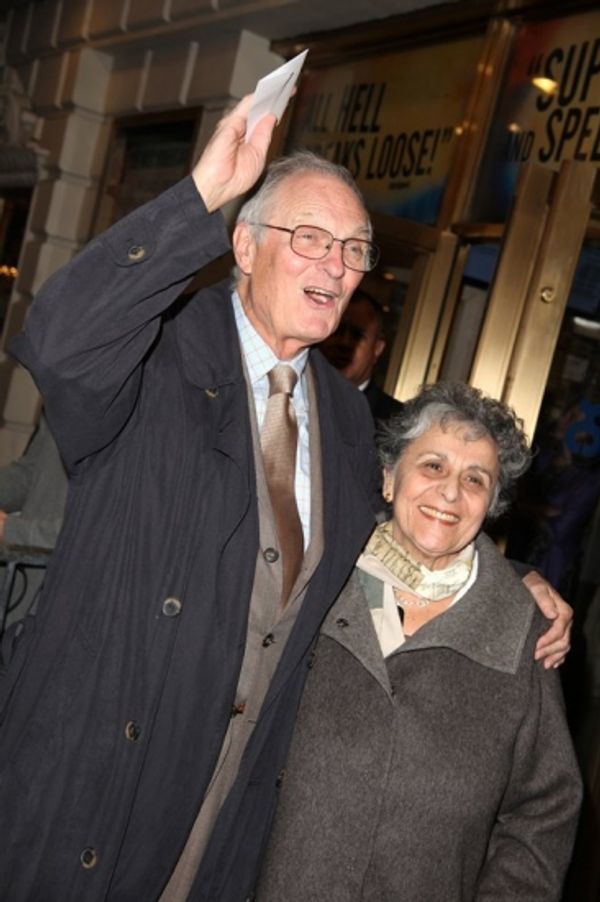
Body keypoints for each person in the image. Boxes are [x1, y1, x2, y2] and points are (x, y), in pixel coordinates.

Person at [0, 96, 571, 902]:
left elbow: (406, 537)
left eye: (353, 249)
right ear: (243, 245)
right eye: (309, 239)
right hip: (87, 788)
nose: (336, 266)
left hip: (225, 814)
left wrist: (511, 589)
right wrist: (197, 195)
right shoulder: (154, 355)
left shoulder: (346, 417)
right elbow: (59, 339)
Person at [259, 382, 582, 902]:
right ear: (389, 477)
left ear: (492, 506)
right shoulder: (314, 579)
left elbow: (543, 812)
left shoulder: (523, 631)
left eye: (475, 479)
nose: (451, 492)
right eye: (433, 466)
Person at [0, 411, 67, 631]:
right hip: (21, 580)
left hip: (63, 595)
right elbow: (29, 472)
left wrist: (10, 529)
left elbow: (96, 531)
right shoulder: (60, 397)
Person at [320, 288, 404, 423]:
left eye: (357, 335)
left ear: (377, 349)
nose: (344, 343)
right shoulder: (292, 394)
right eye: (337, 330)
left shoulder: (397, 422)